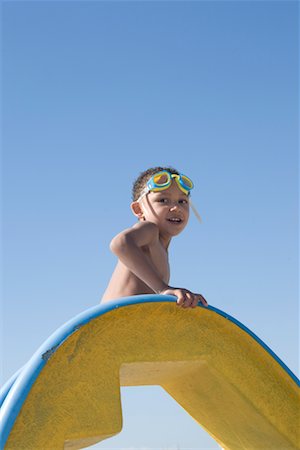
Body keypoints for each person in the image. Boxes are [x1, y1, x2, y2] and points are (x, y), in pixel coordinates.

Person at [101, 166, 208, 309]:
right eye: (163, 200)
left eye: (182, 201)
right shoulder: (149, 230)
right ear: (139, 209)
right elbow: (120, 243)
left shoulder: (160, 247)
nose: (176, 207)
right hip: (111, 323)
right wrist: (162, 288)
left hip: (128, 325)